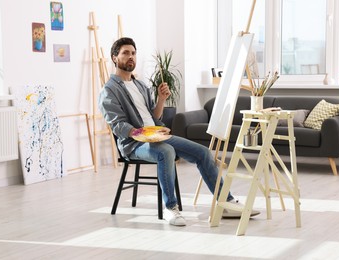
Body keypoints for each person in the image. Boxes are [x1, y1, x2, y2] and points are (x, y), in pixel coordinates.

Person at [98, 37, 259, 226]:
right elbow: (118, 126)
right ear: (114, 58)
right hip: (135, 143)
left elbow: (154, 116)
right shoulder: (109, 91)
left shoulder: (140, 85)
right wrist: (143, 133)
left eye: (133, 53)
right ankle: (170, 208)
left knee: (203, 152)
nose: (131, 57)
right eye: (125, 53)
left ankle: (225, 202)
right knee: (166, 152)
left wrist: (161, 99)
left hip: (156, 135)